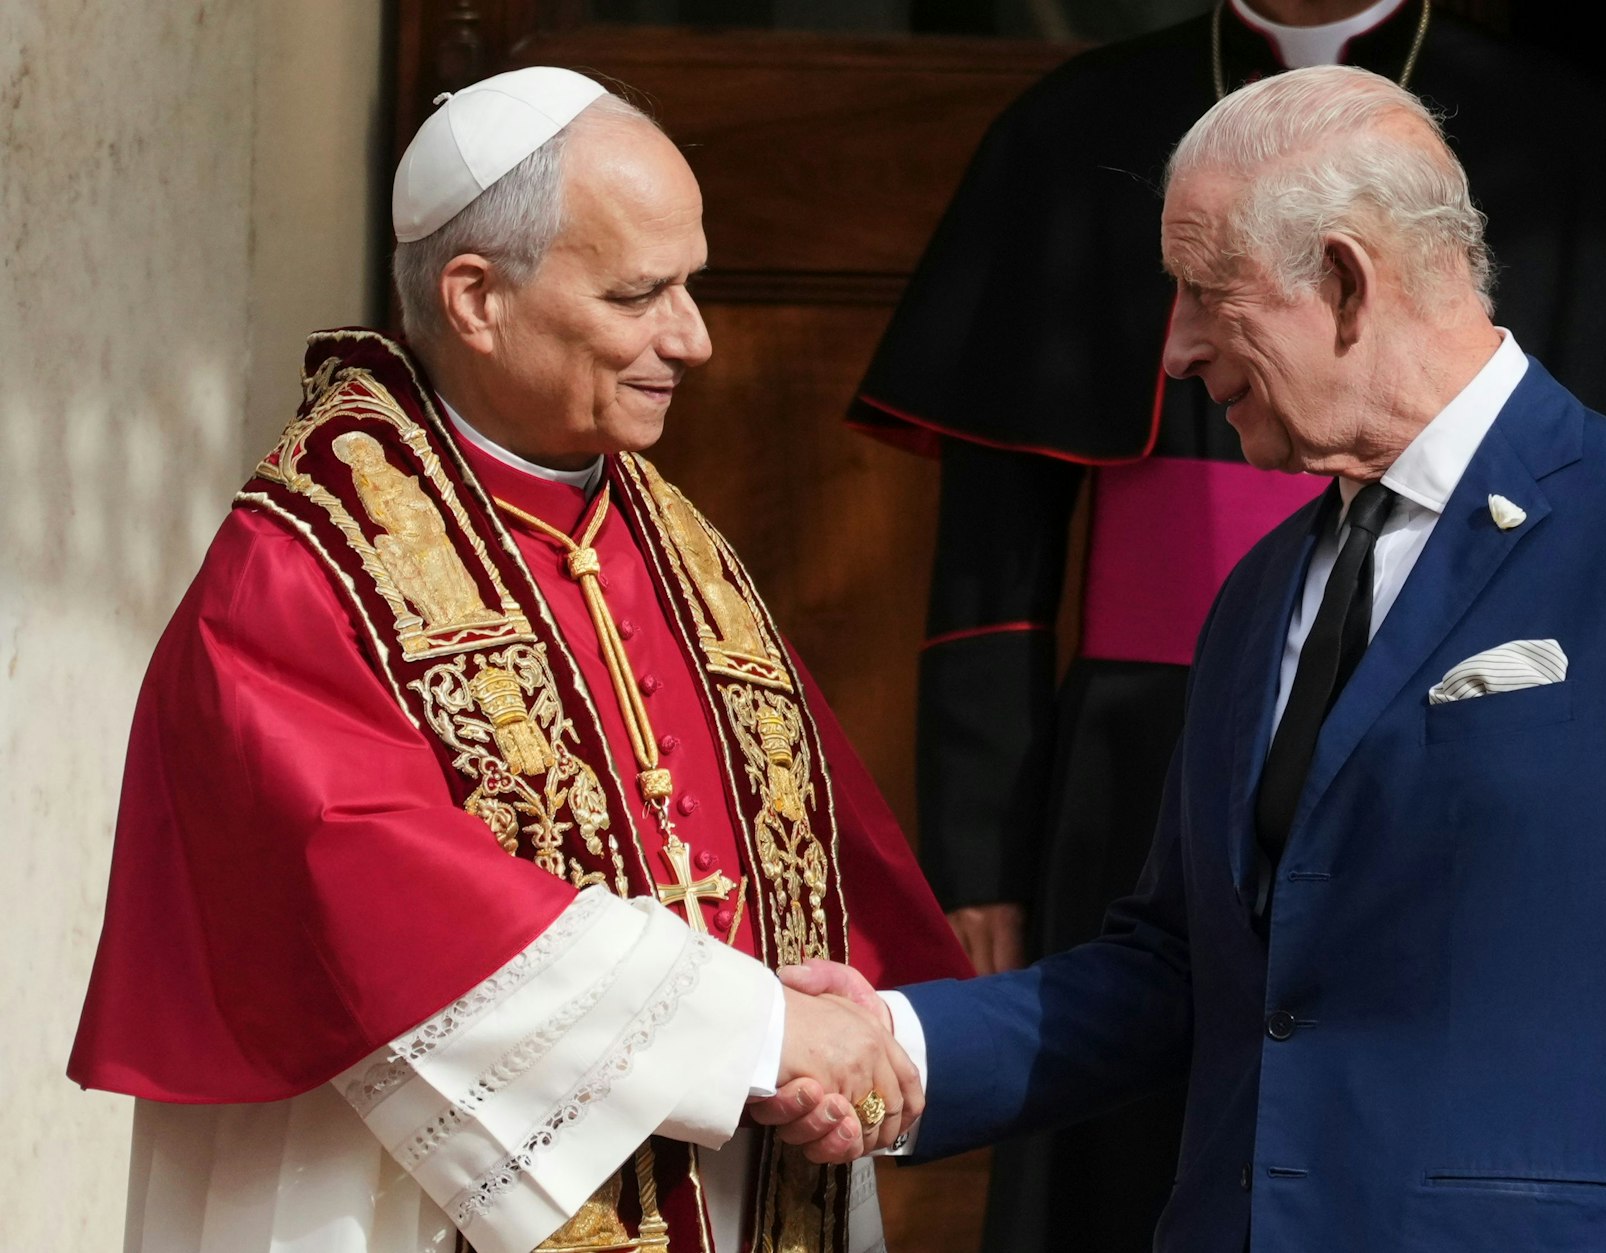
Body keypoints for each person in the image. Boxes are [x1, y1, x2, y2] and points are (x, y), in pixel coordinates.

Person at [776, 65, 1606, 1250]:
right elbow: (1179, 964)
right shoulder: (1260, 587)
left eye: (1203, 291)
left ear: (1345, 280)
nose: (1177, 348)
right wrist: (903, 1040)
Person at [67, 68, 968, 1253]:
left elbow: (811, 862)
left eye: (689, 285)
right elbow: (369, 876)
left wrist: (832, 1032)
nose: (691, 339)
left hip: (729, 1182)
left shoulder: (667, 534)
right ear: (477, 298)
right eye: (638, 295)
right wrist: (749, 1031)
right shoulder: (307, 557)